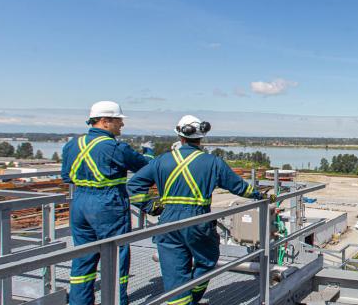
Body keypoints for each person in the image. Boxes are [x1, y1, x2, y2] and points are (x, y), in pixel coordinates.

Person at [127, 115, 260, 305]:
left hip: (168, 223)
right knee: (207, 261)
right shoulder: (212, 162)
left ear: (180, 137)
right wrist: (261, 196)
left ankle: (183, 299)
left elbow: (133, 186)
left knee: (174, 275)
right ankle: (193, 296)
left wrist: (150, 207)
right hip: (198, 221)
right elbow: (240, 187)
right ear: (201, 137)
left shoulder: (161, 161)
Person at [61, 101, 154, 305]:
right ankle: (115, 301)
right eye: (118, 121)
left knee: (83, 256)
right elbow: (145, 168)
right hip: (108, 204)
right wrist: (149, 154)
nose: (121, 125)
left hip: (80, 203)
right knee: (115, 255)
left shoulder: (72, 145)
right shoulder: (114, 147)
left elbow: (66, 177)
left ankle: (79, 301)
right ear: (105, 121)